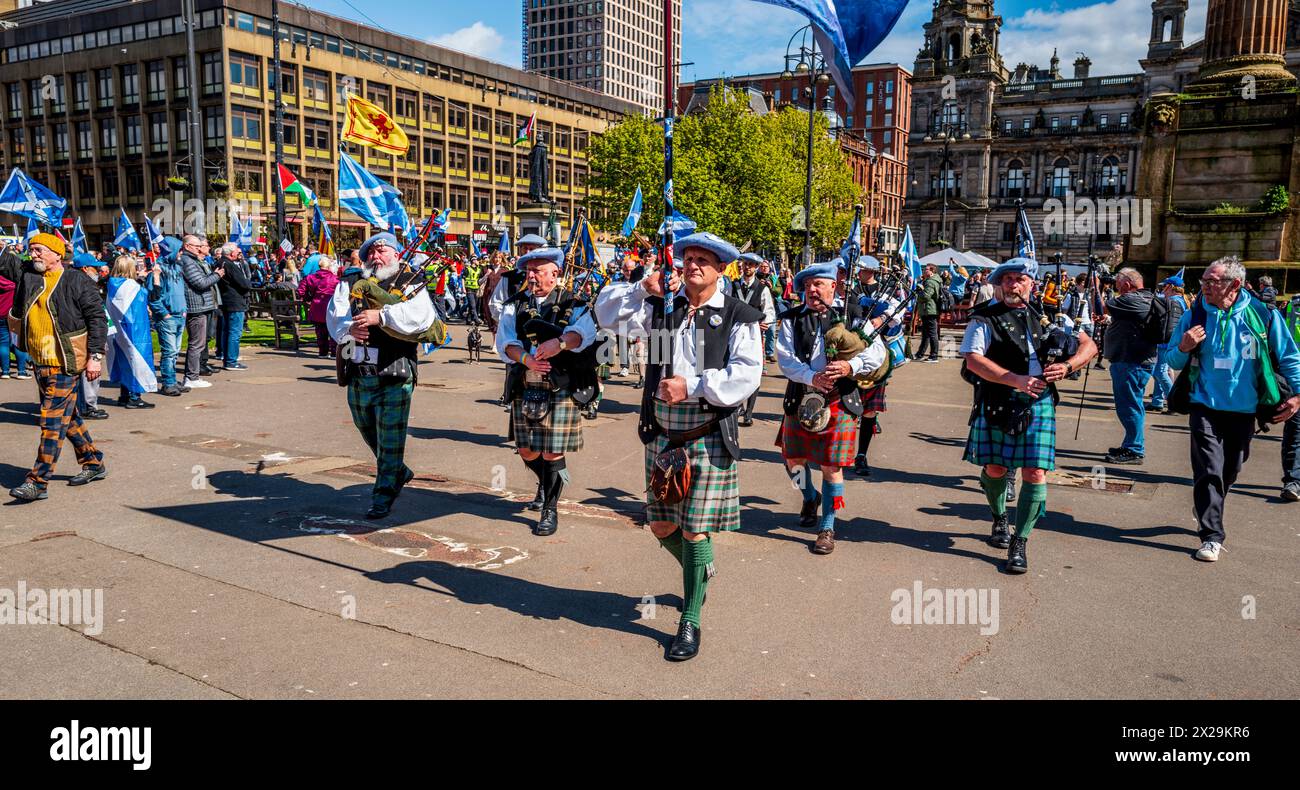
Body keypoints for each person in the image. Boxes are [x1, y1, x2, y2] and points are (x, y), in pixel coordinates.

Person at [595, 231, 763, 661]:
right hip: (663, 435)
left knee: (693, 530)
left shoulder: (738, 315)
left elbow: (747, 376)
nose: (693, 266)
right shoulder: (662, 308)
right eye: (688, 258)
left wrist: (692, 385)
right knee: (662, 526)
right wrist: (640, 286)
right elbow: (606, 318)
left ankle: (690, 619)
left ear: (721, 268)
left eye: (703, 260)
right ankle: (702, 569)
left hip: (706, 432)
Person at [959, 257, 1098, 573]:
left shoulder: (1050, 317)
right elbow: (973, 361)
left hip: (1039, 402)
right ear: (999, 284)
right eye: (1006, 279)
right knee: (994, 469)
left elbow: (1090, 346)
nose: (1012, 284)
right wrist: (1014, 379)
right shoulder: (984, 318)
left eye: (1019, 279)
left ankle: (1019, 542)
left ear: (1032, 284)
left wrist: (1067, 366)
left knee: (1035, 472)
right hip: (997, 397)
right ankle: (999, 517)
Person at [1165, 257, 1300, 561]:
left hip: (1245, 410)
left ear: (1234, 285)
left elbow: (1289, 356)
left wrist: (1298, 395)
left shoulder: (1262, 315)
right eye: (1204, 281)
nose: (1205, 287)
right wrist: (1184, 347)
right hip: (1204, 405)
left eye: (1212, 281)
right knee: (1208, 469)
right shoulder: (1195, 314)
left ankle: (1206, 504)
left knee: (1231, 469)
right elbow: (1172, 361)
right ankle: (1212, 535)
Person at [775, 260, 887, 555]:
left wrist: (851, 366)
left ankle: (827, 525)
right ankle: (809, 495)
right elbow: (786, 360)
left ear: (833, 286)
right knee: (793, 461)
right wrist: (812, 376)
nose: (813, 289)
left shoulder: (853, 315)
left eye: (819, 284)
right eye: (808, 285)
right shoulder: (791, 319)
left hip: (840, 399)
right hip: (801, 395)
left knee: (830, 467)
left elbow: (878, 352)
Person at [326, 232, 438, 519]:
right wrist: (347, 330)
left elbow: (421, 318)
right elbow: (335, 317)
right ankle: (397, 470)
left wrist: (382, 317)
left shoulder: (409, 281)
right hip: (359, 371)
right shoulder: (351, 282)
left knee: (390, 436)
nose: (376, 257)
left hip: (395, 371)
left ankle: (383, 495)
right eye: (371, 253)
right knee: (366, 427)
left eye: (383, 251)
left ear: (396, 254)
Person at [495, 247, 599, 535]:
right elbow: (505, 341)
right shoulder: (514, 304)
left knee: (552, 453)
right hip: (525, 383)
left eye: (538, 270)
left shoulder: (573, 303)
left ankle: (549, 509)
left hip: (561, 386)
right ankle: (546, 483)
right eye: (528, 270)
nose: (531, 275)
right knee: (527, 451)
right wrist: (526, 359)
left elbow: (585, 333)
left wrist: (560, 343)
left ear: (555, 274)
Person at [1, 233, 109, 501]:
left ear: (57, 254)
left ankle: (37, 482)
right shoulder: (30, 275)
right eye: (31, 250)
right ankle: (93, 463)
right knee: (67, 418)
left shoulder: (77, 280)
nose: (33, 254)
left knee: (50, 422)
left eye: (39, 250)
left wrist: (95, 356)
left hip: (66, 361)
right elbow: (5, 262)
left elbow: (97, 319)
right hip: (40, 361)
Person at [1097, 268, 1160, 465]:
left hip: (1130, 362)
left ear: (1126, 284)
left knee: (1129, 407)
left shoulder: (1132, 299)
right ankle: (1132, 444)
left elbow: (1101, 308)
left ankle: (1134, 449)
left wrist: (1095, 286)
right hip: (1136, 361)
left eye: (1117, 287)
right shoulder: (1147, 298)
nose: (1117, 290)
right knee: (1134, 405)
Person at [851, 255, 901, 477]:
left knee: (870, 410)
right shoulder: (852, 289)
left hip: (877, 353)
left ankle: (861, 455)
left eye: (865, 270)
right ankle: (840, 451)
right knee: (846, 408)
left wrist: (882, 318)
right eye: (860, 270)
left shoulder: (885, 289)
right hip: (851, 351)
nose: (861, 273)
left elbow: (898, 315)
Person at [104, 255, 157, 410]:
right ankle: (135, 397)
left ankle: (124, 395)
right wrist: (152, 279)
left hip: (117, 331)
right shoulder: (132, 286)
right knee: (136, 361)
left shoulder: (112, 285)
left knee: (123, 362)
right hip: (133, 330)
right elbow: (149, 297)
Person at [731, 252, 777, 426]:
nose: (748, 267)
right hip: (734, 333)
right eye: (745, 264)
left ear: (756, 267)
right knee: (734, 370)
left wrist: (765, 322)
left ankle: (749, 412)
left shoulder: (762, 288)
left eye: (751, 264)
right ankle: (737, 407)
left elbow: (770, 310)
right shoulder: (733, 285)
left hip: (754, 334)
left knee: (754, 371)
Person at [148, 237, 189, 397]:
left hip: (180, 315)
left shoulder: (177, 269)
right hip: (168, 318)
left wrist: (184, 310)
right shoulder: (158, 271)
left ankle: (172, 380)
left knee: (176, 351)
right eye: (179, 250)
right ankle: (168, 383)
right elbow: (154, 298)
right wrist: (165, 314)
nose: (181, 253)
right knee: (169, 351)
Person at [179, 235, 221, 389]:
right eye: (197, 246)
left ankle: (193, 375)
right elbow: (200, 283)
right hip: (196, 307)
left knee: (199, 343)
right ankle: (191, 377)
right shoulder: (188, 261)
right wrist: (217, 275)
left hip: (201, 305)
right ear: (188, 246)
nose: (199, 248)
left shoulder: (193, 260)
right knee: (196, 344)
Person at [1149, 275, 1188, 413]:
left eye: (1164, 286)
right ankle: (1157, 401)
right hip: (1171, 341)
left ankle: (1174, 401)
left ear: (1170, 287)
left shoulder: (1171, 301)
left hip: (1166, 342)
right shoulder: (1182, 301)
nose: (1162, 289)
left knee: (1159, 372)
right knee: (1160, 371)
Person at [488, 233, 546, 325]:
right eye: (525, 248)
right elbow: (495, 303)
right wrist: (509, 321)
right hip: (515, 330)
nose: (528, 252)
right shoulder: (509, 277)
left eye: (532, 249)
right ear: (520, 250)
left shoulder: (547, 276)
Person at [214, 243, 252, 371]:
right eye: (236, 251)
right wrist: (248, 282)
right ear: (231, 253)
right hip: (234, 302)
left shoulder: (220, 263)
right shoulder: (229, 264)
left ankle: (227, 357)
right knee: (234, 332)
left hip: (226, 301)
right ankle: (231, 360)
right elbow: (243, 283)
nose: (238, 253)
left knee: (227, 331)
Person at [298, 255, 340, 358]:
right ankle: (334, 352)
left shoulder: (310, 277)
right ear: (329, 266)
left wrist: (308, 298)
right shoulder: (335, 278)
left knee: (320, 331)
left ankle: (323, 352)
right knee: (333, 331)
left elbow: (300, 291)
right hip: (331, 306)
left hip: (317, 306)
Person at [1282, 293, 1300, 502]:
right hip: (1294, 375)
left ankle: (1293, 480)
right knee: (1296, 430)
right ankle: (1293, 480)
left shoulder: (1291, 305)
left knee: (1295, 431)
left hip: (1293, 374)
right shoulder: (1292, 306)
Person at [0, 268, 33, 380]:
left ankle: (5, 371)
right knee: (17, 342)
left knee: (3, 343)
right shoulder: (16, 283)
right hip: (13, 315)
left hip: (0, 315)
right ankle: (22, 371)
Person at [916, 263, 943, 361]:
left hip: (930, 310)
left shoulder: (931, 282)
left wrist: (918, 293)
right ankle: (920, 354)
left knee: (932, 334)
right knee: (926, 334)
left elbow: (926, 296)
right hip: (927, 310)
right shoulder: (929, 281)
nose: (924, 270)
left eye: (926, 269)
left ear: (932, 271)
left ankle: (934, 356)